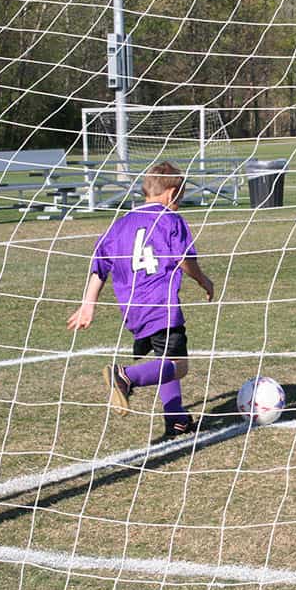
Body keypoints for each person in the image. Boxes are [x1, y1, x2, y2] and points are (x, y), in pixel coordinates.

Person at [67, 162, 214, 438]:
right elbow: (184, 260)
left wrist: (88, 305)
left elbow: (100, 266)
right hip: (161, 304)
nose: (179, 205)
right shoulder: (171, 220)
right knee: (178, 366)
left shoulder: (120, 225)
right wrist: (204, 280)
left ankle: (176, 419)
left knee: (165, 357)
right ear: (171, 194)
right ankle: (126, 377)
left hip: (133, 309)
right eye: (179, 200)